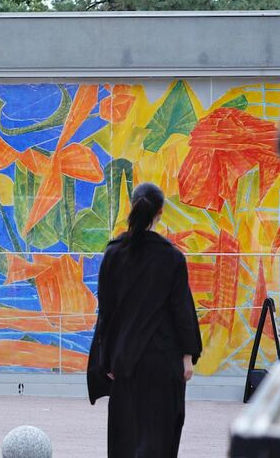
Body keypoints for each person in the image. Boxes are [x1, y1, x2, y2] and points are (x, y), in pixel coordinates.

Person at [87, 182, 203, 457]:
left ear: (134, 206)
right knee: (160, 437)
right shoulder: (171, 257)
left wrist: (107, 360)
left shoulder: (114, 254)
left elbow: (106, 313)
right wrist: (187, 357)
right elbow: (181, 309)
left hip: (125, 362)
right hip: (163, 362)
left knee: (125, 437)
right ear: (160, 212)